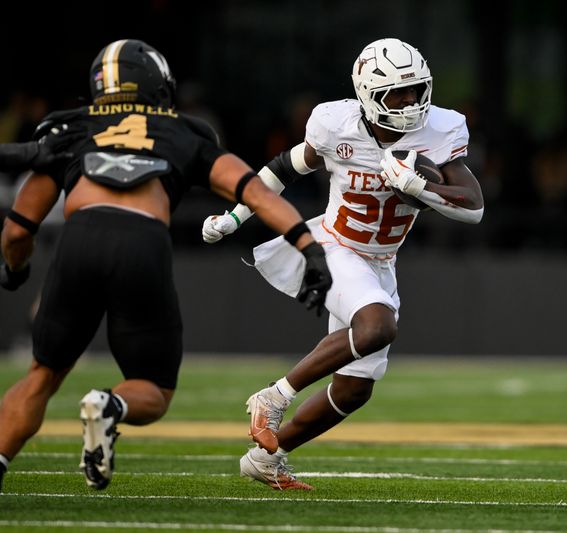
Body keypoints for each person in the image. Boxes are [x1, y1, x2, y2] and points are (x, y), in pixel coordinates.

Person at [0, 39, 332, 493]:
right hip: (142, 243)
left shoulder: (70, 129)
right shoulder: (183, 132)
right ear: (159, 85)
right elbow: (254, 192)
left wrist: (15, 271)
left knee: (41, 375)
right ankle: (109, 405)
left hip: (81, 239)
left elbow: (19, 231)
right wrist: (308, 246)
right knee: (153, 389)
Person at [201, 38, 484, 490]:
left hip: (380, 262)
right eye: (398, 93)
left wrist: (419, 186)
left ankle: (265, 460)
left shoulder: (441, 130)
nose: (411, 102)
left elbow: (473, 206)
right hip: (331, 246)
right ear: (369, 94)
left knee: (354, 388)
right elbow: (284, 168)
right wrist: (236, 215)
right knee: (378, 326)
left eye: (416, 89)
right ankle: (273, 398)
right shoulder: (337, 124)